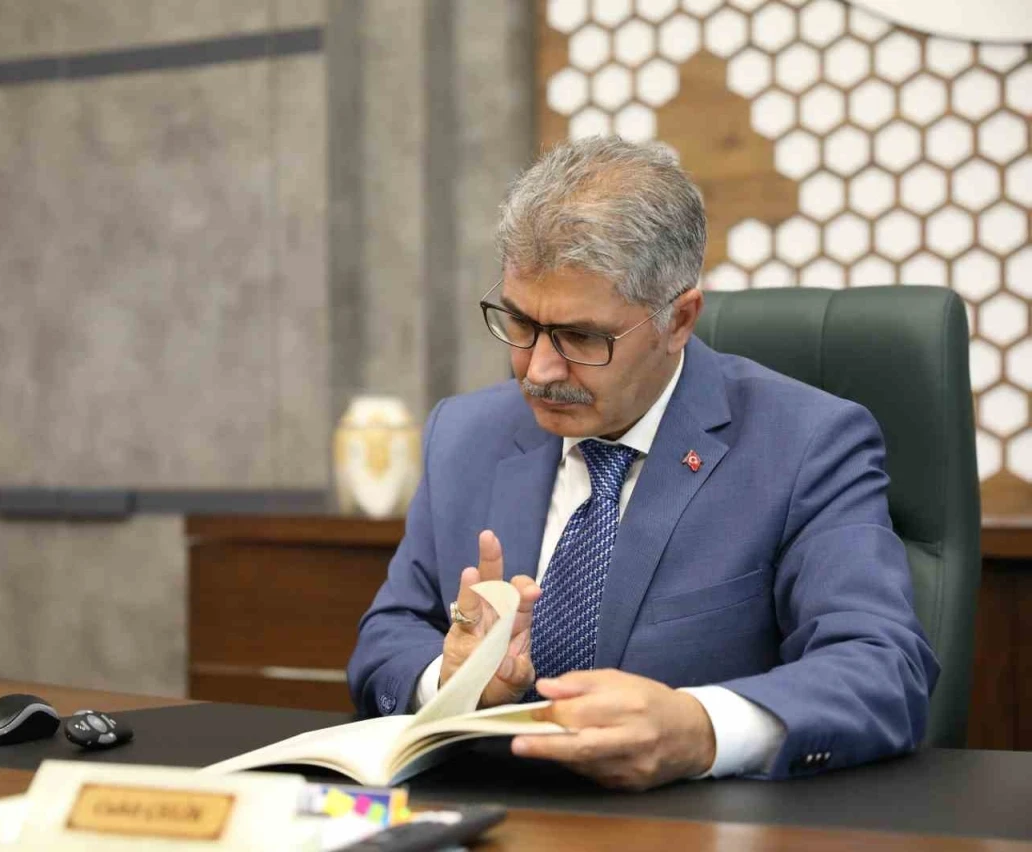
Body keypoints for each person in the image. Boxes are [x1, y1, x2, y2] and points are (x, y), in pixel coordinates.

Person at [346, 135, 939, 790]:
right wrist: (454, 684)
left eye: (580, 337)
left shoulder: (807, 443)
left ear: (679, 320)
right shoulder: (465, 434)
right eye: (520, 324)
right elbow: (389, 637)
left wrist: (700, 727)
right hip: (487, 811)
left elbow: (882, 668)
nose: (537, 370)